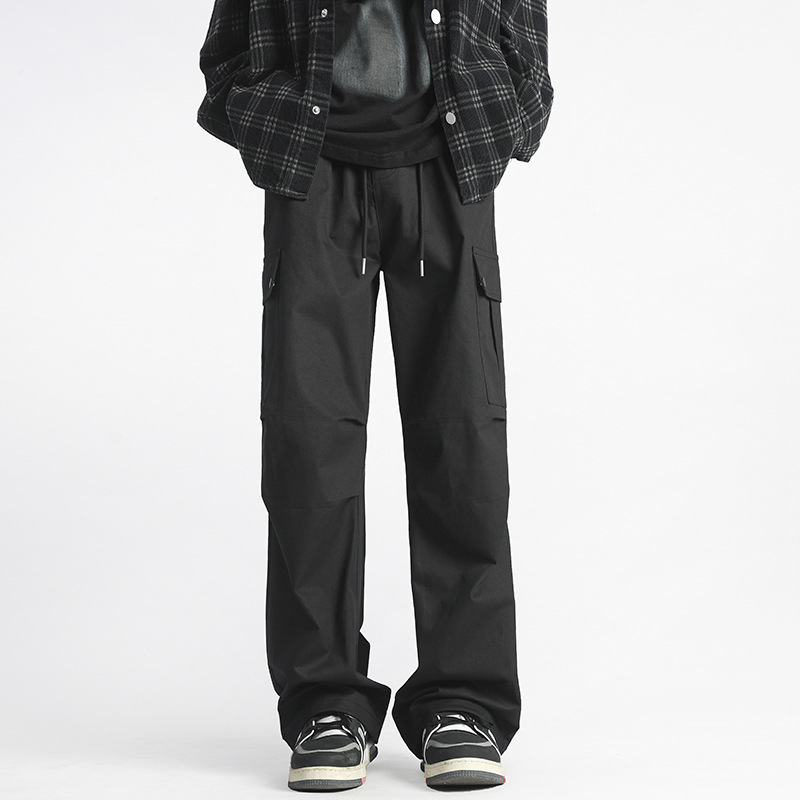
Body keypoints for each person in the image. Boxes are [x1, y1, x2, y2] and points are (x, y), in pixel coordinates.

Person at [197, 0, 554, 791]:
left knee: (462, 437)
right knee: (308, 441)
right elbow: (225, 57)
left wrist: (504, 117)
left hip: (450, 161)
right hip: (314, 169)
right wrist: (272, 121)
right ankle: (326, 705)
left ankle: (464, 703)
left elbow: (527, 45)